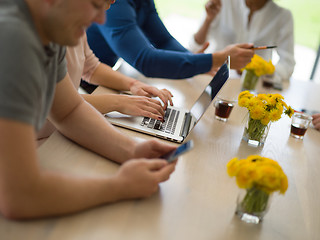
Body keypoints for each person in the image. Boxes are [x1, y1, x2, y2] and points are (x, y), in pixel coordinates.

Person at [0, 0, 177, 220]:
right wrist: (120, 186)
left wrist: (132, 150)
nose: (101, 20)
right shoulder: (14, 36)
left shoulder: (48, 27)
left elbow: (69, 109)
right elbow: (19, 195)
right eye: (95, 4)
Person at [37, 33, 173, 141]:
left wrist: (133, 84)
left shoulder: (74, 21)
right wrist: (119, 102)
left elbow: (91, 67)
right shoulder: (38, 33)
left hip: (61, 133)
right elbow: (54, 101)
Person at [86, 0, 254, 79]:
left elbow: (163, 40)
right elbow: (146, 61)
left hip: (106, 74)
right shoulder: (114, 4)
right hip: (87, 83)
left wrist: (197, 61)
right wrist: (214, 59)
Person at [190, 0, 295, 85]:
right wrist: (208, 20)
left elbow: (287, 65)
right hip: (210, 80)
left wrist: (257, 70)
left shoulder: (282, 16)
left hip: (252, 90)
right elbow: (194, 49)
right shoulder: (222, 3)